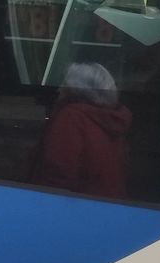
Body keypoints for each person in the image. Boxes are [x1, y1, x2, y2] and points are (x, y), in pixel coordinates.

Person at [31, 62, 132, 199]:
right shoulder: (111, 119)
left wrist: (43, 203)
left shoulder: (72, 117)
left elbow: (59, 171)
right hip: (109, 203)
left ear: (78, 91)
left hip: (75, 206)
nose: (59, 90)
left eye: (65, 85)